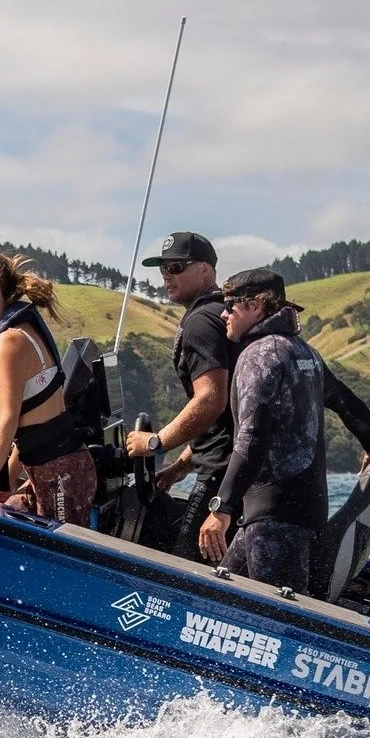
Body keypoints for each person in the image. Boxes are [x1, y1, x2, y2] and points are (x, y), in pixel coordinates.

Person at [197, 268, 370, 594]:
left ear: (256, 305)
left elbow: (252, 438)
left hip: (275, 523)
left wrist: (221, 508)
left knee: (278, 623)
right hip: (297, 512)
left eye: (230, 305)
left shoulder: (259, 355)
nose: (223, 314)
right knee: (216, 599)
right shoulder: (305, 353)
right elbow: (347, 402)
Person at [0, 249, 97, 526]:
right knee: (12, 507)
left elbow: (8, 421)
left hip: (61, 476)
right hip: (65, 468)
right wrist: (2, 486)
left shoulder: (9, 342)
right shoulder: (23, 331)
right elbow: (28, 431)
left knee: (58, 558)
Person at [125, 231, 236, 559]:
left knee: (187, 561)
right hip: (230, 463)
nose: (165, 276)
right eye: (162, 268)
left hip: (223, 469)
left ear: (205, 270)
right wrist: (178, 467)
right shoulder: (222, 311)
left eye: (175, 267)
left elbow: (211, 400)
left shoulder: (201, 322)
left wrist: (156, 443)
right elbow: (225, 415)